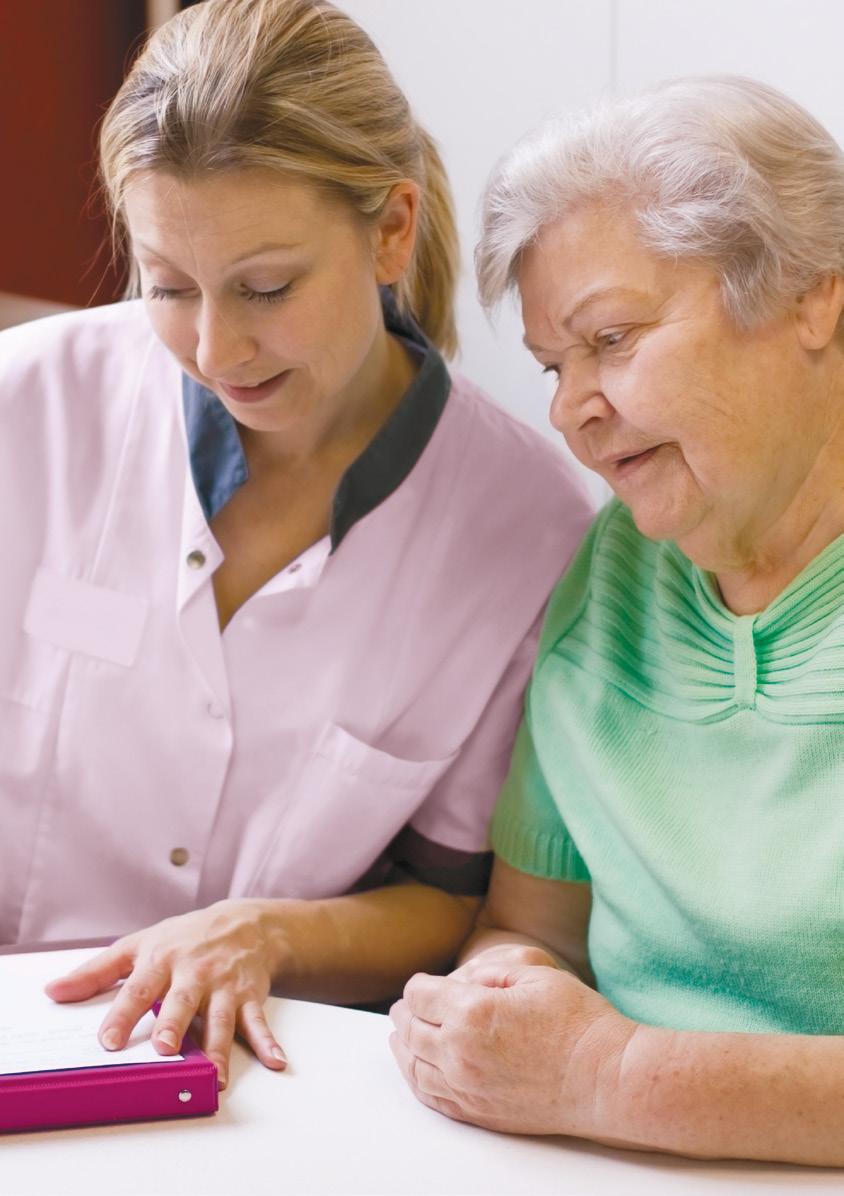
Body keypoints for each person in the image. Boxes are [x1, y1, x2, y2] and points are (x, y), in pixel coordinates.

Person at [0, 0, 592, 1087]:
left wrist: (267, 931)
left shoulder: (530, 529)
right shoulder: (26, 407)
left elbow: (451, 894)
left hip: (281, 1069)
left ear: (391, 231)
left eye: (266, 288)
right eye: (168, 286)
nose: (216, 346)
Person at [389, 76, 844, 1167]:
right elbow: (533, 926)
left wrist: (610, 1075)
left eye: (612, 338)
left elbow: (600, 1069)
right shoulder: (614, 569)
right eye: (554, 363)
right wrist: (505, 1006)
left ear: (812, 298)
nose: (567, 406)